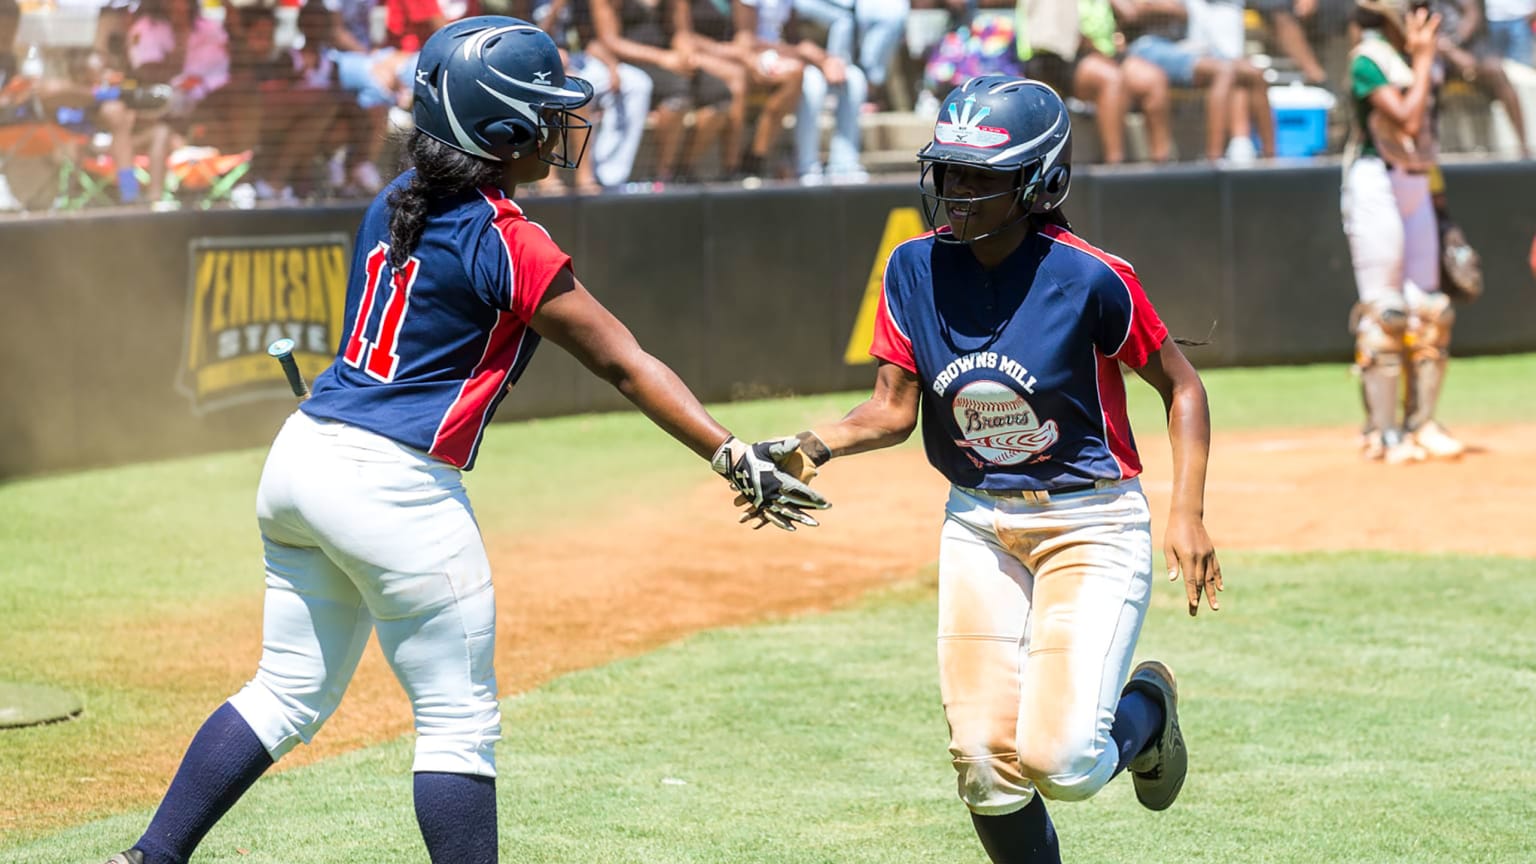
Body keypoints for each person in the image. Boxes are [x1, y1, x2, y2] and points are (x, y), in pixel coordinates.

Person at [99, 17, 826, 864]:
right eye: (546, 113)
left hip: (302, 456)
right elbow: (625, 363)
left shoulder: (393, 196)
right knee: (457, 723)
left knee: (284, 693)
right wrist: (728, 451)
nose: (560, 130)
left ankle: (147, 858)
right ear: (502, 128)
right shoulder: (509, 238)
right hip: (393, 485)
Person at [750, 75, 1222, 864]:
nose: (957, 193)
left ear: (1040, 184)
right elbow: (892, 410)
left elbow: (1182, 386)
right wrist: (810, 445)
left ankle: (1150, 709)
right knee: (982, 763)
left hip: (1091, 522)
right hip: (978, 522)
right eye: (950, 172)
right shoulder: (910, 269)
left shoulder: (1092, 275)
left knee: (1062, 764)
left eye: (981, 178)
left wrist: (1187, 512)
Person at [1342, 0, 1466, 461]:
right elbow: (1408, 119)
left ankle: (1422, 423)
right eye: (1414, 8)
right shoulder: (1369, 58)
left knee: (1431, 310)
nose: (1424, 15)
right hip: (1377, 183)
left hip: (1417, 184)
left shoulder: (1418, 56)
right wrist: (1426, 57)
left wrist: (1441, 205)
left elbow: (1427, 135)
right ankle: (1383, 430)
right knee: (1386, 312)